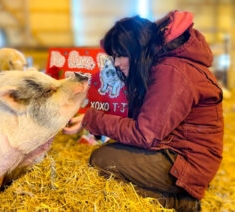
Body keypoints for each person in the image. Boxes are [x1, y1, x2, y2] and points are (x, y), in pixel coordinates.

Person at [63, 10, 223, 211]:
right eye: (114, 56)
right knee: (111, 153)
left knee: (103, 161)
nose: (117, 63)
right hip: (177, 151)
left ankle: (180, 203)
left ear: (138, 50)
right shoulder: (165, 66)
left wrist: (92, 119)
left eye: (121, 54)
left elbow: (145, 134)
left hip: (186, 164)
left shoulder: (173, 72)